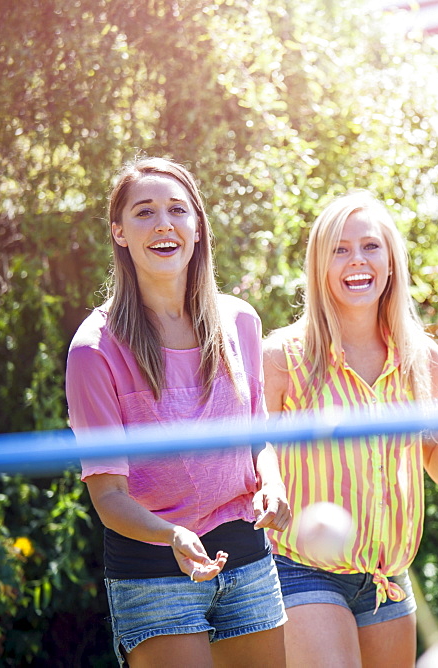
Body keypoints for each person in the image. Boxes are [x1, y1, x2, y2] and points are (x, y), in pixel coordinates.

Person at [66, 157, 291, 667]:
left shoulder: (240, 322)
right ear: (119, 233)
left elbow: (259, 440)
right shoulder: (93, 350)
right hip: (152, 567)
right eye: (144, 213)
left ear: (197, 227)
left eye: (177, 210)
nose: (164, 224)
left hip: (247, 554)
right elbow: (108, 496)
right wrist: (172, 535)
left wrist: (272, 485)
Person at [262, 191, 438, 667]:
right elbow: (252, 457)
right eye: (339, 250)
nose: (356, 261)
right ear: (320, 265)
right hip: (303, 569)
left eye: (370, 247)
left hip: (388, 579)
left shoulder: (423, 359)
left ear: (390, 262)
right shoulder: (284, 357)